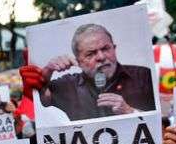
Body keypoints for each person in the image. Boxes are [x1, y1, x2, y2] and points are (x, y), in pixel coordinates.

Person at [20, 23, 155, 121]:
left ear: (114, 48)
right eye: (91, 54)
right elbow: (42, 99)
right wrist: (45, 73)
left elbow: (161, 124)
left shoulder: (144, 76)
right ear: (78, 61)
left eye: (106, 49)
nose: (101, 57)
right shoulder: (68, 85)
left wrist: (130, 111)